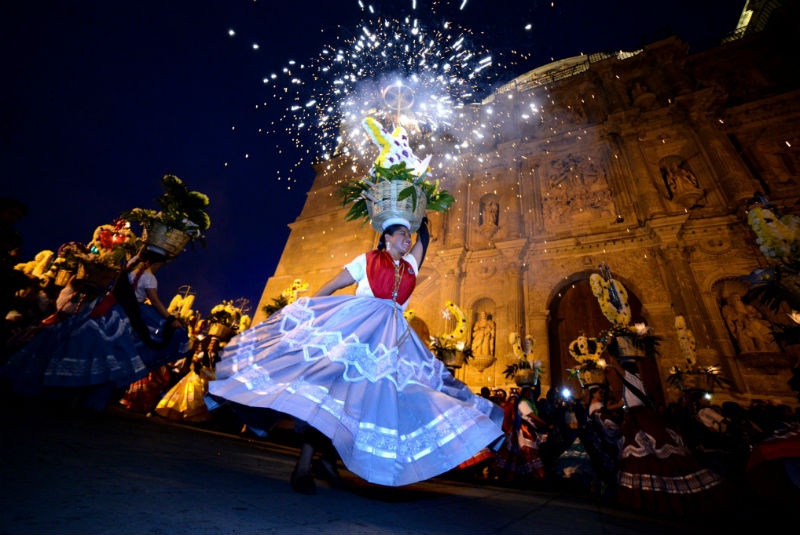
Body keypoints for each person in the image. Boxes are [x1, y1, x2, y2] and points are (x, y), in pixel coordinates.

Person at [207, 216, 503, 493]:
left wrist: (420, 211)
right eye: (402, 233)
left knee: (366, 401)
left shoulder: (411, 265)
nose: (408, 238)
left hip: (391, 337)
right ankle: (305, 465)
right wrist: (307, 313)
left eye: (408, 234)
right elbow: (334, 285)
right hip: (356, 329)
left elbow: (424, 237)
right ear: (387, 237)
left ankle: (325, 459)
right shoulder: (367, 260)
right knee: (329, 395)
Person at [606, 355, 730, 516]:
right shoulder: (633, 383)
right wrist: (608, 408)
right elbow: (622, 403)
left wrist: (613, 360)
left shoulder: (631, 378)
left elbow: (622, 373)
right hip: (638, 418)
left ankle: (652, 493)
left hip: (640, 419)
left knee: (648, 453)